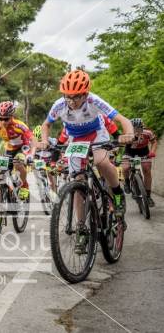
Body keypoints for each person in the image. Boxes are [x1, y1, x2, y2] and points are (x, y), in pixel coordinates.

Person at [38, 69, 134, 254]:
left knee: (100, 161)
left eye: (76, 97)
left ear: (86, 93)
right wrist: (43, 140)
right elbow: (46, 124)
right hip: (76, 139)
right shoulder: (59, 105)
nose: (72, 101)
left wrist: (127, 134)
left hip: (97, 134)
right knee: (77, 182)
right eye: (68, 97)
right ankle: (81, 228)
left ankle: (117, 194)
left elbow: (122, 119)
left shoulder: (94, 100)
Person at [0, 101, 35, 200]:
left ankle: (24, 186)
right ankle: (1, 210)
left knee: (17, 163)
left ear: (11, 116)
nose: (3, 121)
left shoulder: (19, 125)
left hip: (22, 148)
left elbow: (33, 139)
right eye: (0, 118)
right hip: (9, 150)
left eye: (6, 119)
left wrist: (31, 154)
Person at [122, 118, 157, 206]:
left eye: (139, 129)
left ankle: (148, 196)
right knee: (125, 167)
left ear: (142, 127)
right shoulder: (127, 134)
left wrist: (152, 152)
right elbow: (120, 143)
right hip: (129, 152)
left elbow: (154, 142)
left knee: (147, 170)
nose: (137, 131)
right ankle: (126, 182)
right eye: (135, 129)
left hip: (143, 151)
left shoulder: (148, 133)